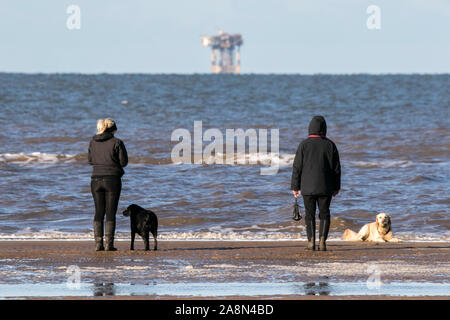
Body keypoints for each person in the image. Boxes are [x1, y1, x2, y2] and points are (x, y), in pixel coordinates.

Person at [291, 116, 341, 251]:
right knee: (325, 213)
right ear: (324, 128)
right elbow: (336, 168)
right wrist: (336, 187)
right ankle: (323, 242)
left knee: (309, 214)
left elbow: (297, 167)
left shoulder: (303, 144)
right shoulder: (330, 145)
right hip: (326, 187)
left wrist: (295, 187)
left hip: (307, 188)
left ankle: (311, 242)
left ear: (310, 128)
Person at [88, 118, 128, 251]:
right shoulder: (117, 142)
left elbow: (90, 161)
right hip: (112, 180)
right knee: (110, 213)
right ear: (113, 130)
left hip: (95, 180)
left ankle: (98, 244)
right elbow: (123, 162)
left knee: (98, 212)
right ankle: (108, 245)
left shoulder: (92, 141)